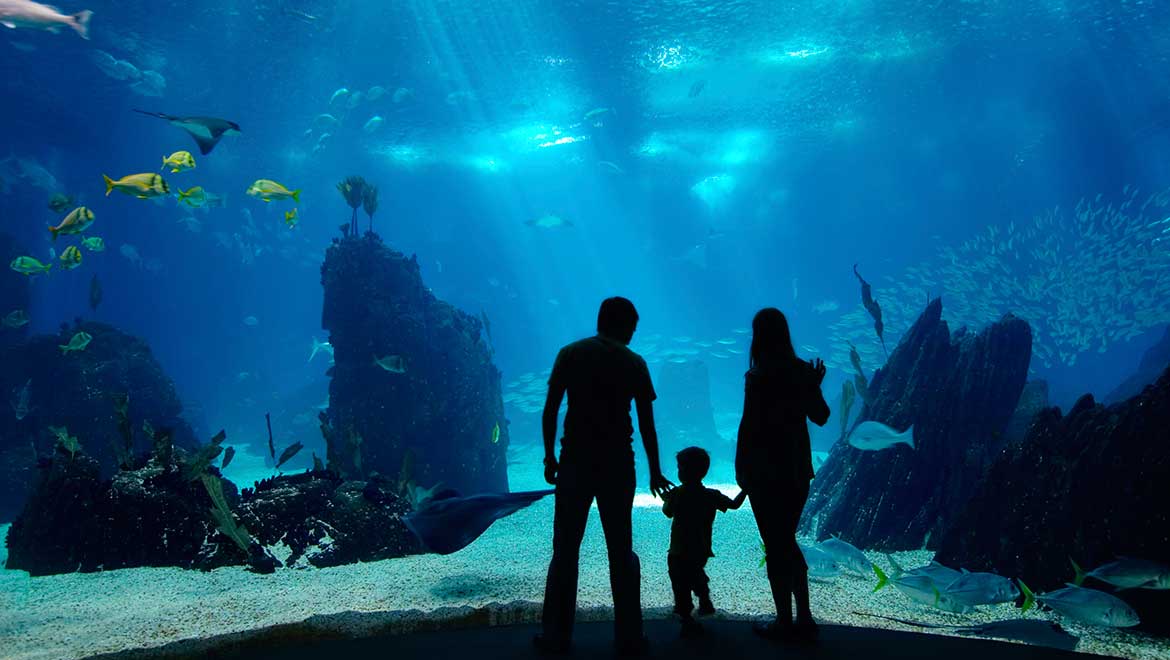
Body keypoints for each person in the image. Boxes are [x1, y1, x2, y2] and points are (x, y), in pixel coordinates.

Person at [536, 297, 674, 655]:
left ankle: (555, 635)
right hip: (617, 465)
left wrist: (550, 455)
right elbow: (646, 425)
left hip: (575, 462)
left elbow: (551, 409)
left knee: (565, 549)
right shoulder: (634, 362)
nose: (633, 333)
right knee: (621, 550)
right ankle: (629, 636)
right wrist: (655, 469)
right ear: (625, 325)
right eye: (633, 326)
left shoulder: (570, 353)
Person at [735, 307, 830, 641]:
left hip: (763, 470)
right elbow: (821, 417)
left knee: (776, 545)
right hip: (795, 469)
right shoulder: (803, 371)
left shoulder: (757, 376)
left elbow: (748, 426)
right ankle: (803, 616)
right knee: (785, 540)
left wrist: (741, 467)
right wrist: (813, 387)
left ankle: (784, 621)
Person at [661, 446, 747, 637]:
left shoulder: (677, 494)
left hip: (678, 549)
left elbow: (667, 512)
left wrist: (665, 499)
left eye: (681, 467)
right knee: (695, 571)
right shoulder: (711, 495)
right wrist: (746, 489)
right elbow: (734, 504)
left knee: (679, 582)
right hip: (701, 549)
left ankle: (687, 617)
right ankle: (704, 597)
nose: (679, 471)